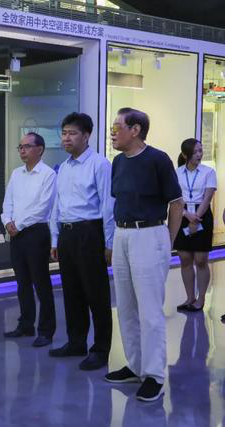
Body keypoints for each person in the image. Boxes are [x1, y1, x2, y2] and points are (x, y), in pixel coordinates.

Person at [104, 108, 183, 402]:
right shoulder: (117, 162)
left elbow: (176, 203)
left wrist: (167, 241)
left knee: (150, 310)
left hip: (149, 234)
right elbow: (116, 202)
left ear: (135, 130)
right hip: (123, 234)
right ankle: (135, 365)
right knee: (125, 307)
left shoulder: (158, 160)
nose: (112, 132)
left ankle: (154, 375)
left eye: (117, 127)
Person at [48, 112, 114, 371]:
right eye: (64, 133)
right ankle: (76, 342)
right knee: (72, 292)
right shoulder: (64, 167)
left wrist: (109, 243)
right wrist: (55, 239)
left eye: (72, 133)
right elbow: (57, 205)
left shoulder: (99, 164)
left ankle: (100, 349)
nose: (66, 138)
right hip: (67, 233)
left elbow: (108, 205)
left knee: (96, 294)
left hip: (90, 232)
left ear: (86, 136)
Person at [2, 132, 57, 347]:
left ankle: (46, 330)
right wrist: (7, 221)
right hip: (16, 234)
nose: (22, 150)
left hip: (36, 233)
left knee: (41, 283)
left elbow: (43, 207)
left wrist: (18, 225)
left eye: (26, 146)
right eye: (20, 147)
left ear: (39, 149)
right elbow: (8, 202)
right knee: (22, 282)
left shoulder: (48, 174)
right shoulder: (16, 173)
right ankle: (25, 324)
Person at [173, 138, 216, 312]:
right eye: (196, 151)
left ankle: (201, 298)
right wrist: (186, 215)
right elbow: (175, 198)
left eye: (201, 150)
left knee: (200, 259)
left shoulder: (208, 172)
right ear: (185, 155)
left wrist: (195, 218)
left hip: (201, 214)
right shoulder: (177, 172)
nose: (199, 154)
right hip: (182, 213)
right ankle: (189, 297)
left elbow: (207, 197)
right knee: (184, 258)